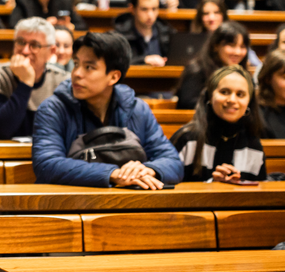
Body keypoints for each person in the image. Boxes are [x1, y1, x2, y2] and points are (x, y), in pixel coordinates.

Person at [32, 32, 183, 188]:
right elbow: (47, 164)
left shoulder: (137, 109)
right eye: (76, 64)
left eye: (89, 67)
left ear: (113, 77)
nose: (76, 73)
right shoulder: (53, 109)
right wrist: (113, 174)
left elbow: (173, 162)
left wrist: (149, 170)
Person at [170, 65, 267, 182]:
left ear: (248, 102)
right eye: (224, 92)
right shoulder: (187, 139)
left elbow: (260, 194)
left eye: (240, 94)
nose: (232, 100)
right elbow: (166, 189)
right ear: (210, 97)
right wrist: (212, 186)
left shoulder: (253, 144)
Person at [0, 18, 69, 140]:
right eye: (21, 42)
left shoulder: (62, 81)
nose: (25, 51)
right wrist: (26, 83)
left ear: (51, 51)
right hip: (2, 155)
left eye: (34, 45)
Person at [175, 21, 251, 110]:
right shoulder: (196, 70)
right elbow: (188, 104)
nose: (238, 52)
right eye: (231, 45)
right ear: (216, 46)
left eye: (242, 47)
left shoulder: (244, 74)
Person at [191, 0, 261, 67]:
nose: (211, 18)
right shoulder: (193, 40)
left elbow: (257, 64)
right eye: (206, 14)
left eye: (216, 12)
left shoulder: (235, 35)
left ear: (223, 15)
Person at [113, 0, 174, 67]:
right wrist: (144, 60)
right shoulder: (119, 36)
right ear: (132, 9)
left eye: (154, 9)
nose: (150, 15)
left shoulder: (168, 33)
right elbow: (115, 62)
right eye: (144, 9)